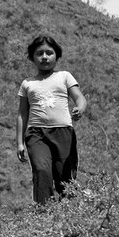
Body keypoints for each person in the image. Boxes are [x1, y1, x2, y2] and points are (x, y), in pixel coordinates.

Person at [16, 35, 87, 205]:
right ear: (32, 58)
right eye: (39, 53)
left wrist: (80, 108)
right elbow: (22, 114)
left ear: (57, 56)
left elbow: (80, 98)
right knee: (41, 171)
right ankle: (44, 212)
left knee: (65, 178)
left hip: (63, 133)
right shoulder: (27, 84)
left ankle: (71, 212)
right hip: (36, 134)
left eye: (49, 53)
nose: (45, 57)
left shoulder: (64, 76)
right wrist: (19, 143)